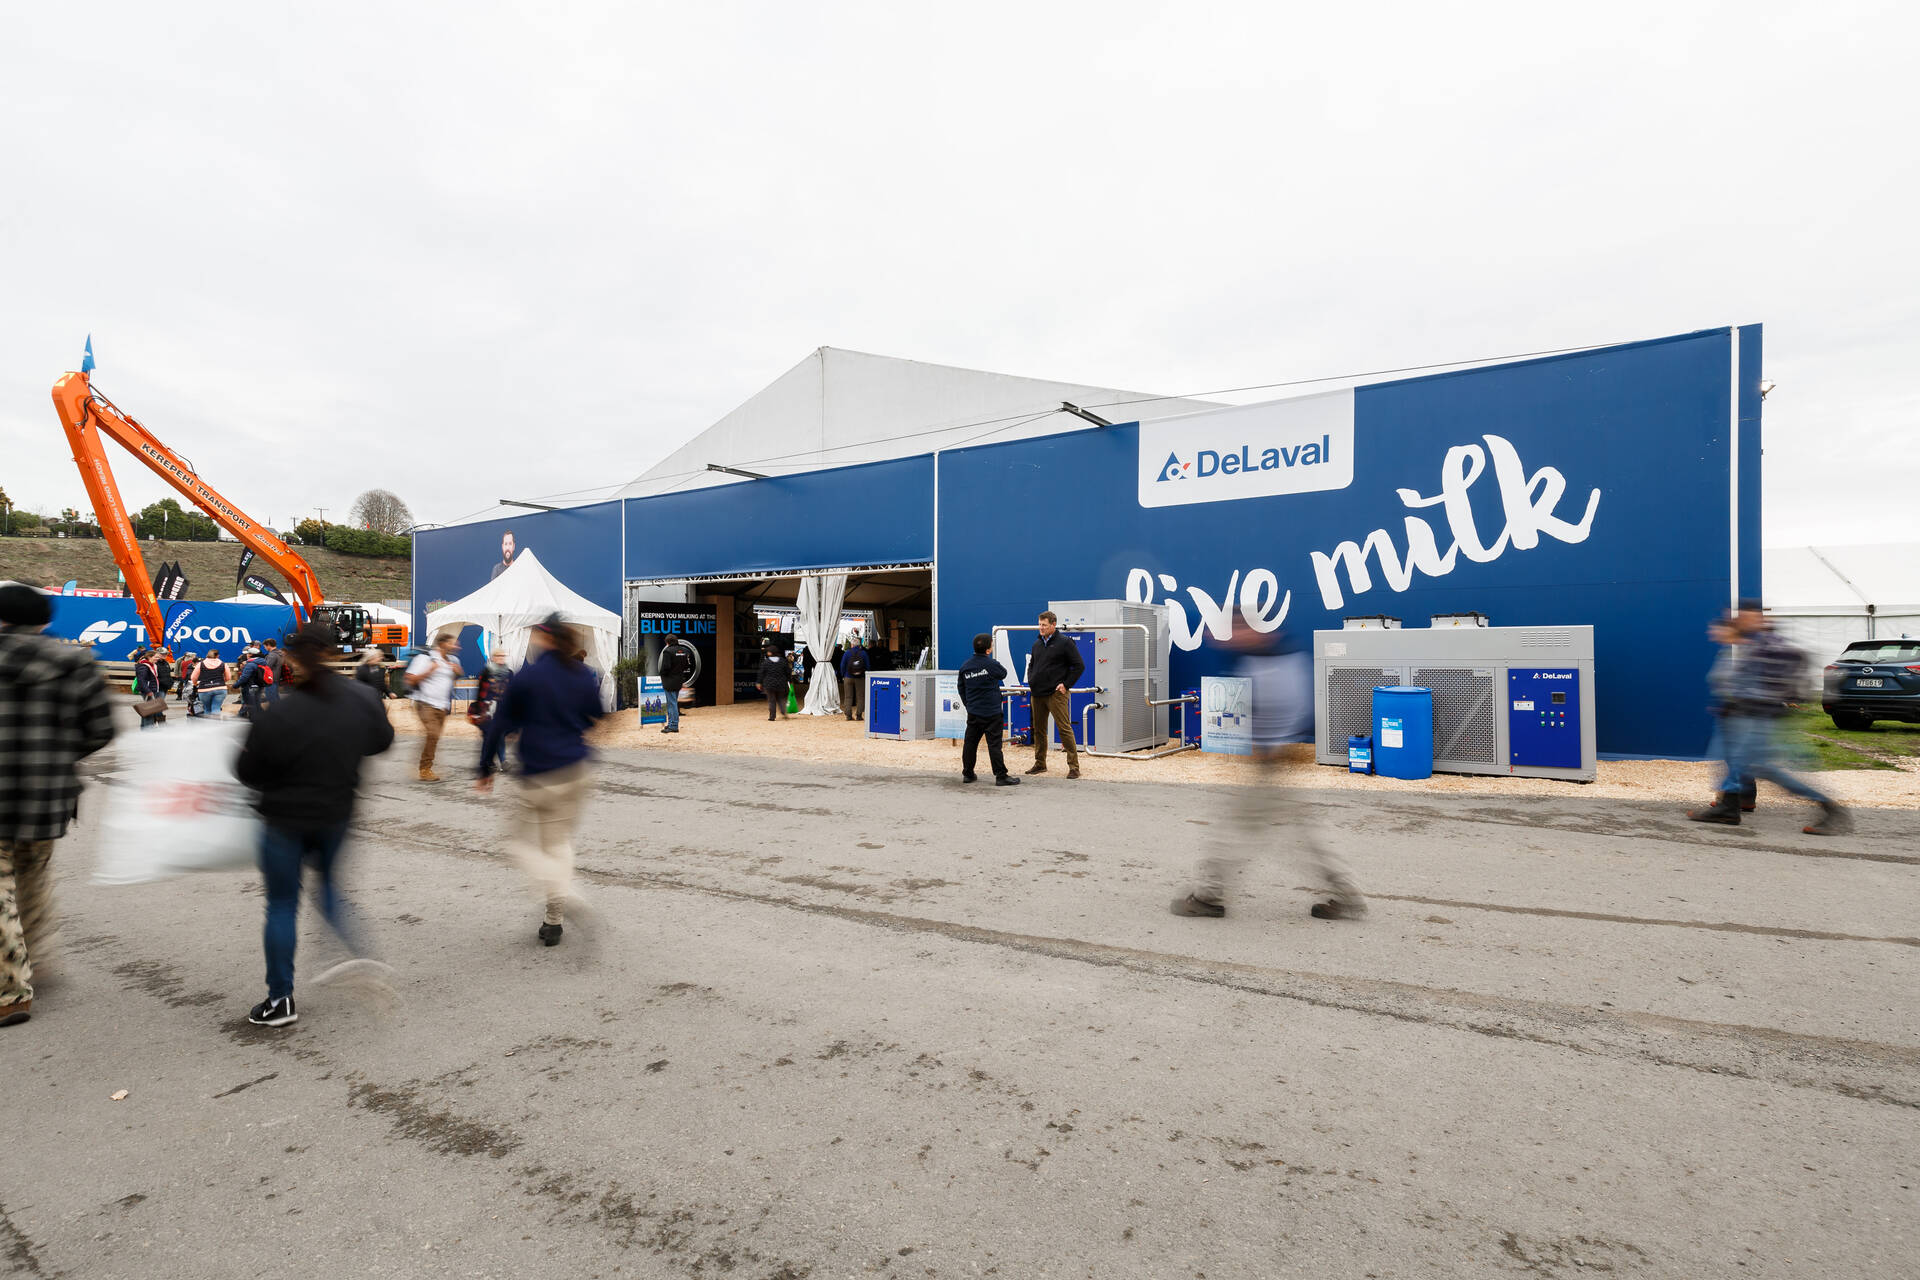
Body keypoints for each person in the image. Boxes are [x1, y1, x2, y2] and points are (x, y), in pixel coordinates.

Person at [233, 622, 396, 1027]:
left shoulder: (282, 712)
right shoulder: (362, 697)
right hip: (337, 811)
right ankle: (360, 956)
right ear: (334, 653)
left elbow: (247, 771)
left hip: (283, 818)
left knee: (283, 903)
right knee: (329, 889)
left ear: (291, 658)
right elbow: (381, 741)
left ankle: (280, 1000)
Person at [1170, 623, 1366, 921]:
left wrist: (1265, 748)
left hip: (1269, 765)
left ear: (1254, 632)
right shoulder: (1276, 660)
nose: (1227, 638)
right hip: (1271, 765)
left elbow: (1284, 711)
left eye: (1236, 630)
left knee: (1233, 829)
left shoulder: (1269, 666)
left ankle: (1208, 896)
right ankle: (1346, 894)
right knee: (1300, 837)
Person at [0, 584, 117, 1027]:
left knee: (1, 890)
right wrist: (55, 756)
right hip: (48, 796)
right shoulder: (75, 662)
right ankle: (35, 960)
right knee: (33, 878)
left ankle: (11, 990)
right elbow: (100, 729)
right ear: (45, 621)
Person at [477, 615, 605, 947]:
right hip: (577, 769)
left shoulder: (528, 677)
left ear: (544, 638)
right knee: (558, 844)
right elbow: (595, 716)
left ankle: (565, 893)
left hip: (539, 772)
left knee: (517, 842)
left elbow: (499, 723)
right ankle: (553, 920)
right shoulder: (582, 675)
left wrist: (485, 768)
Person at [1687, 600, 1850, 834]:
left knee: (1762, 768)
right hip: (1742, 715)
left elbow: (1772, 683)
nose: (1737, 620)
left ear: (1755, 617)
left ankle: (1830, 806)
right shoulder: (1752, 643)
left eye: (1742, 616)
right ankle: (1729, 807)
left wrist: (1750, 698)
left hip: (1756, 717)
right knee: (1731, 761)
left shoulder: (1770, 644)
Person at [1025, 611, 1085, 779]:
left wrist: (1066, 684)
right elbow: (1032, 665)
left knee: (1064, 729)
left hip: (1056, 694)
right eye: (1039, 624)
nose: (1041, 628)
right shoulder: (1037, 644)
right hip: (1037, 693)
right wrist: (1032, 680)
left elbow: (1079, 665)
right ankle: (1040, 764)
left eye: (1044, 625)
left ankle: (1074, 767)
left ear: (1053, 625)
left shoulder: (1065, 643)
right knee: (1039, 730)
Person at [958, 633, 1019, 787]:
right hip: (992, 712)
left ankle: (968, 773)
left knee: (970, 743)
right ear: (988, 649)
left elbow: (961, 688)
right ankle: (1000, 776)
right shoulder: (991, 664)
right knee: (994, 745)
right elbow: (1003, 673)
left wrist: (969, 704)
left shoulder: (965, 666)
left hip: (974, 712)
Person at [405, 632, 462, 781]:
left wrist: (457, 672)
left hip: (442, 705)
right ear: (442, 644)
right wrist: (429, 671)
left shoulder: (452, 660)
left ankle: (425, 763)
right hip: (425, 703)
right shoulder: (425, 658)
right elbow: (410, 679)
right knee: (433, 734)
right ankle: (425, 770)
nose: (456, 646)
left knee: (434, 737)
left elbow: (453, 678)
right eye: (452, 643)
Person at [472, 646, 513, 772]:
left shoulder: (509, 673)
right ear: (493, 658)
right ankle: (496, 761)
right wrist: (479, 710)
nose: (501, 658)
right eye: (498, 656)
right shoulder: (486, 672)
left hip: (502, 708)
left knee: (497, 734)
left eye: (503, 656)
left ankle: (490, 761)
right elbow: (480, 692)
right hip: (487, 708)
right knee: (490, 735)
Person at [656, 636, 694, 734]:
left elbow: (665, 667)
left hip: (669, 681)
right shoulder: (684, 650)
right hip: (678, 680)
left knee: (671, 704)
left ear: (667, 642)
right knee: (673, 703)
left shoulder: (668, 651)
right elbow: (686, 665)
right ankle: (672, 723)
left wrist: (662, 674)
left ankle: (673, 725)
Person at [838, 633, 869, 722]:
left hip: (848, 677)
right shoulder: (863, 653)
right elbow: (868, 666)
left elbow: (842, 665)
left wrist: (844, 675)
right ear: (859, 646)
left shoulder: (847, 653)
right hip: (860, 677)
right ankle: (859, 715)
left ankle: (848, 716)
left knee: (848, 697)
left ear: (852, 645)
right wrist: (864, 675)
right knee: (860, 697)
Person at [133, 647, 165, 729]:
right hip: (148, 691)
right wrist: (148, 691)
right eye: (156, 657)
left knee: (148, 710)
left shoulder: (152, 665)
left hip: (152, 690)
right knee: (150, 711)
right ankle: (147, 729)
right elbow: (141, 680)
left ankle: (144, 728)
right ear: (149, 657)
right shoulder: (143, 666)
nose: (157, 659)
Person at [757, 642, 790, 722]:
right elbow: (788, 672)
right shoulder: (783, 661)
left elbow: (761, 673)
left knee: (771, 700)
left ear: (770, 653)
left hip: (769, 684)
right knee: (781, 699)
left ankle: (772, 716)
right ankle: (783, 711)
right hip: (781, 684)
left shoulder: (766, 662)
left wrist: (759, 682)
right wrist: (790, 681)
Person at [192, 648, 228, 717]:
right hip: (220, 688)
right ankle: (216, 725)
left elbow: (193, 677)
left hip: (204, 689)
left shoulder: (200, 664)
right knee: (216, 708)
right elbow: (228, 677)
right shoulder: (223, 664)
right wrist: (221, 681)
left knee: (207, 709)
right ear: (217, 656)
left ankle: (208, 725)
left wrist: (195, 683)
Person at [261, 637, 286, 705]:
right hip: (277, 677)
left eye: (265, 646)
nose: (265, 648)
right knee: (275, 696)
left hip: (270, 679)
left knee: (271, 697)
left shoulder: (272, 655)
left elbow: (267, 666)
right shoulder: (280, 653)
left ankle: (275, 713)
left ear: (268, 645)